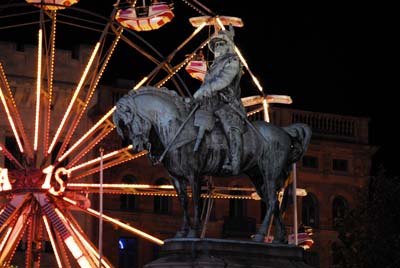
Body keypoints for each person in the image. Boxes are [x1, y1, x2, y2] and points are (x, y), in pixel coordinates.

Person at [193, 26, 246, 175]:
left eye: (221, 44)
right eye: (216, 45)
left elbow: (224, 80)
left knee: (229, 125)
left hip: (227, 102)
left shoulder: (233, 61)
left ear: (228, 46)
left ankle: (235, 162)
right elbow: (206, 83)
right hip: (210, 101)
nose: (217, 47)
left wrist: (205, 89)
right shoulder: (213, 66)